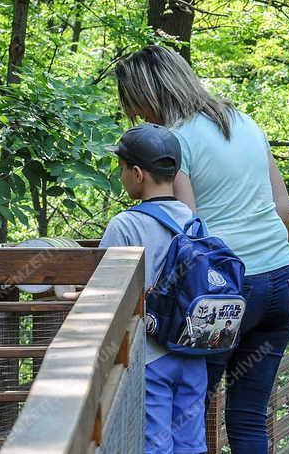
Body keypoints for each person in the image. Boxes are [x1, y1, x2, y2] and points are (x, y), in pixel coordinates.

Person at [115, 45, 289, 453]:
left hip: (220, 291)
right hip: (280, 279)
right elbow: (283, 209)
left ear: (149, 93)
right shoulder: (244, 121)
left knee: (188, 409)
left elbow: (184, 229)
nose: (137, 117)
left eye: (135, 105)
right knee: (248, 418)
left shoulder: (175, 141)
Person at [99, 123, 206, 454]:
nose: (121, 176)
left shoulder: (126, 225)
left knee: (155, 445)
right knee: (191, 443)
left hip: (151, 355)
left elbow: (103, 294)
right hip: (192, 352)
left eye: (121, 169)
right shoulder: (193, 220)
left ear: (137, 173)